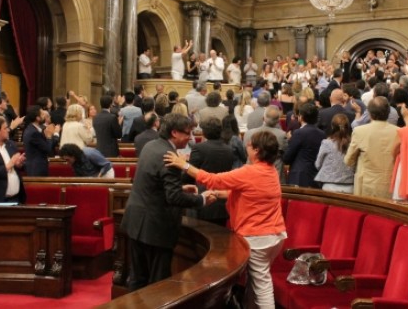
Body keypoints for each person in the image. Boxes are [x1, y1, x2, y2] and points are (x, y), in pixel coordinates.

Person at [164, 130, 287, 309]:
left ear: (257, 151)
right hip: (275, 236)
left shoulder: (249, 171)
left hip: (258, 237)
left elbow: (212, 179)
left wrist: (184, 165)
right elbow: (248, 193)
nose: (247, 146)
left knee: (262, 286)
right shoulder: (271, 171)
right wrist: (220, 194)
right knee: (257, 281)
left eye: (250, 145)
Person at [120, 113, 215, 291]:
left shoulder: (151, 146)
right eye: (187, 133)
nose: (190, 137)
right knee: (158, 284)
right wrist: (201, 199)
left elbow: (154, 183)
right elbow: (174, 198)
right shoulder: (169, 157)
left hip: (136, 222)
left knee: (137, 279)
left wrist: (180, 187)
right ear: (174, 133)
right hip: (156, 228)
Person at [345, 96, 399, 199]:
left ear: (369, 113)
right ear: (388, 113)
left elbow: (349, 160)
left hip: (366, 185)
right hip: (391, 183)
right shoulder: (399, 132)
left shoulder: (359, 131)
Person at [183, 118, 234, 226]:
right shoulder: (229, 149)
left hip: (204, 198)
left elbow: (190, 176)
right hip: (222, 200)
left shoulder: (199, 148)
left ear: (204, 132)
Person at [283, 102, 325, 187]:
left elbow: (287, 157)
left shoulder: (299, 133)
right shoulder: (322, 134)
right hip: (315, 175)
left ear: (300, 117)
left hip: (299, 177)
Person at [315, 113, 355, 193]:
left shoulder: (327, 143)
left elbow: (318, 164)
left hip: (329, 186)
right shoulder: (353, 143)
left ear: (332, 127)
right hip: (350, 186)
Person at [23, 105, 59, 177]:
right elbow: (47, 149)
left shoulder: (32, 129)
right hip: (37, 168)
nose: (44, 116)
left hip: (36, 166)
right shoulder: (34, 133)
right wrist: (49, 136)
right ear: (37, 118)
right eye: (42, 114)